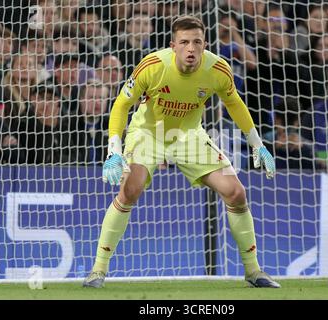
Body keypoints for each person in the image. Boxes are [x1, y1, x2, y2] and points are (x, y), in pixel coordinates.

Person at [82, 15, 280, 289]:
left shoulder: (218, 69)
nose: (191, 48)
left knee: (236, 193)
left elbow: (234, 104)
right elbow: (120, 106)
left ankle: (254, 271)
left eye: (196, 42)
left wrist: (258, 144)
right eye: (184, 42)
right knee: (130, 189)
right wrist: (113, 151)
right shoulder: (152, 66)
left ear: (204, 44)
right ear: (173, 45)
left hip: (189, 135)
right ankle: (98, 271)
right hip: (148, 133)